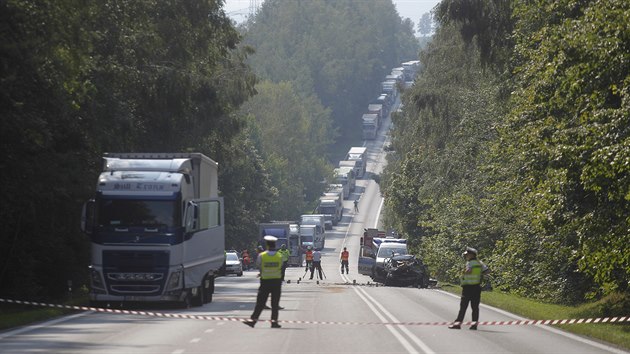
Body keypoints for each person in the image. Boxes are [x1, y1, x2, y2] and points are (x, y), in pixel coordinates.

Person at [243, 236, 283, 329]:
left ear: (267, 245)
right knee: (275, 304)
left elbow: (259, 266)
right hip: (276, 282)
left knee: (260, 303)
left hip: (265, 282)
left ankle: (253, 321)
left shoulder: (262, 255)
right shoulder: (279, 256)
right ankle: (274, 323)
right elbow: (281, 266)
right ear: (275, 245)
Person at [448, 247, 489, 330]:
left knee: (463, 307)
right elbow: (487, 271)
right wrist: (480, 274)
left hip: (467, 288)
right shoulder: (479, 263)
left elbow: (468, 271)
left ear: (471, 255)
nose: (466, 256)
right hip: (477, 287)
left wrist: (465, 273)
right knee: (475, 307)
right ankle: (474, 325)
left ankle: (457, 324)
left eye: (467, 255)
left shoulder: (470, 263)